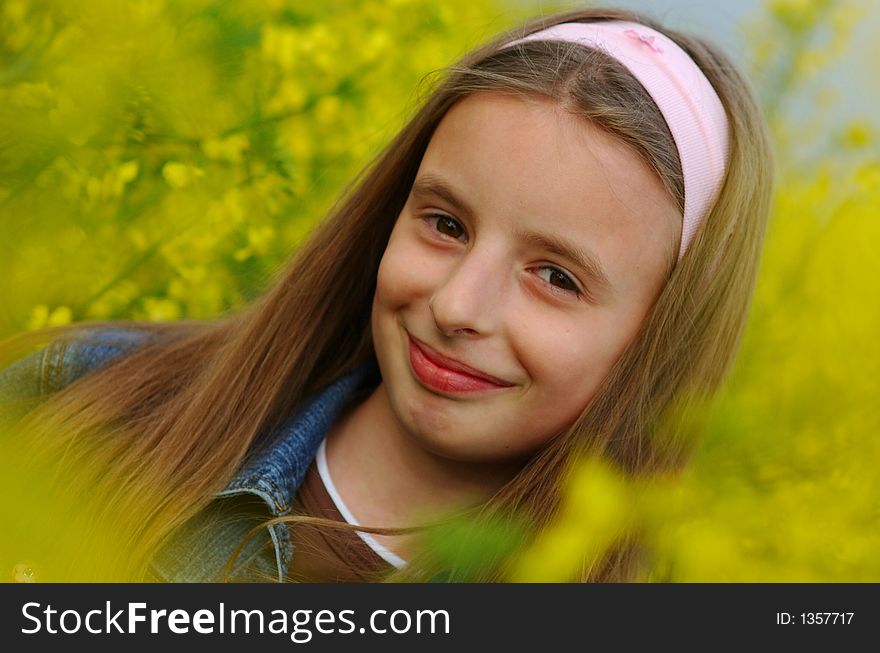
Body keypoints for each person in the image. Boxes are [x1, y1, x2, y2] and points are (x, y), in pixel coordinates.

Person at [0, 6, 774, 583]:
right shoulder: (79, 397)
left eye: (557, 277)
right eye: (444, 223)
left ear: (659, 340)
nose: (457, 306)